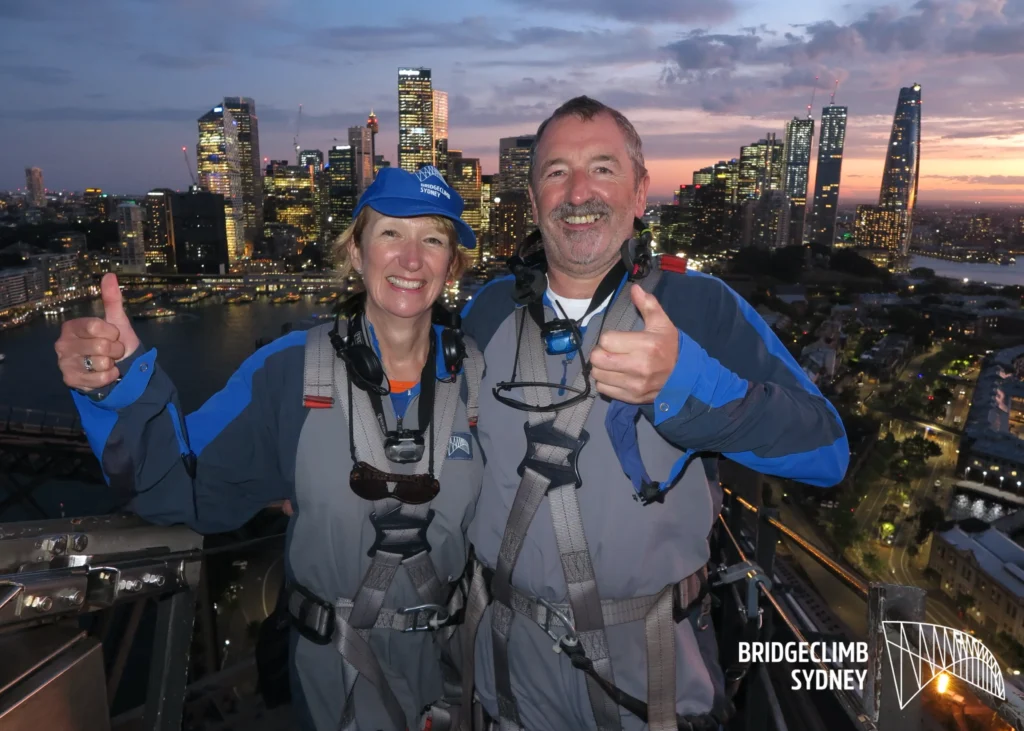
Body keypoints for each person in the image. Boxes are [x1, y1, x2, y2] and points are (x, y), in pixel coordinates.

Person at [456, 96, 849, 731]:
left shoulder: (700, 307)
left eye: (604, 169)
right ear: (533, 201)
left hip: (650, 676)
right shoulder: (488, 310)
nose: (579, 191)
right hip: (510, 672)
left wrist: (688, 383)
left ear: (641, 193)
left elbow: (827, 450)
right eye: (557, 171)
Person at [55, 166, 486, 731]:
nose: (411, 259)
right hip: (334, 677)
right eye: (390, 234)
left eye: (432, 238)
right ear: (356, 253)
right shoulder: (288, 372)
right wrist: (117, 390)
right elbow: (179, 492)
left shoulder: (480, 374)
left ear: (451, 264)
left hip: (452, 672)